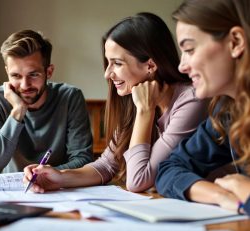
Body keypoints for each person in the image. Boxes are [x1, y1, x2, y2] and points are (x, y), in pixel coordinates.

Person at [23, 12, 209, 193]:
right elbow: (106, 165)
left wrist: (145, 111)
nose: (107, 74)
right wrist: (59, 177)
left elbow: (138, 181)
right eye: (108, 62)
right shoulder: (134, 100)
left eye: (117, 63)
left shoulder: (191, 101)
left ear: (150, 66)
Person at [155, 0, 250, 215]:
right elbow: (168, 169)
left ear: (235, 42)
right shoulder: (227, 111)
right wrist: (221, 196)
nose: (182, 66)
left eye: (189, 49)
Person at [0, 30, 93, 174]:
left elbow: (83, 160)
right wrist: (18, 111)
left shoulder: (70, 97)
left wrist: (43, 176)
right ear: (7, 72)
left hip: (59, 189)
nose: (25, 85)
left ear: (49, 72)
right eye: (16, 76)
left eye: (33, 74)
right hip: (13, 194)